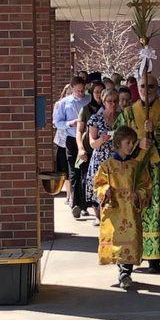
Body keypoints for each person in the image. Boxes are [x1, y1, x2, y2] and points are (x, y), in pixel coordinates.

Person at [114, 74, 160, 273]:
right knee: (134, 208)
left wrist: (156, 133)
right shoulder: (127, 113)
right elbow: (117, 136)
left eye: (151, 86)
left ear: (156, 88)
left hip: (159, 170)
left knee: (158, 209)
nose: (147, 89)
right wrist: (138, 142)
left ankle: (155, 257)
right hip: (135, 169)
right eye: (143, 85)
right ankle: (130, 256)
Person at [94, 126, 152, 289]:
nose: (131, 145)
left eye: (133, 143)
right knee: (116, 241)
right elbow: (98, 184)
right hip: (114, 210)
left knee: (131, 240)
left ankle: (125, 273)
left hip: (130, 211)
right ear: (118, 143)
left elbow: (146, 185)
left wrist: (139, 195)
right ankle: (123, 272)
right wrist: (106, 191)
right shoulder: (107, 165)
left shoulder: (136, 165)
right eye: (128, 142)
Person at [54, 76, 91, 219]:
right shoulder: (64, 103)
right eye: (78, 91)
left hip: (86, 138)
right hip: (71, 138)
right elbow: (57, 122)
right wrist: (70, 123)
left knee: (85, 171)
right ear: (72, 88)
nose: (81, 93)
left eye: (82, 90)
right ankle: (76, 203)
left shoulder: (88, 100)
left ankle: (85, 205)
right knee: (73, 172)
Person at [86, 89, 119, 225]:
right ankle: (98, 217)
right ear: (104, 102)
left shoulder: (122, 117)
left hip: (117, 157)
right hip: (101, 157)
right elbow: (92, 143)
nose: (113, 104)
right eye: (109, 101)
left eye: (115, 101)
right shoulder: (96, 118)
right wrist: (102, 139)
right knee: (100, 187)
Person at [76, 81, 104, 223]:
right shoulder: (86, 109)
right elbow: (79, 131)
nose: (99, 95)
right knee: (91, 181)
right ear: (92, 93)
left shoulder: (110, 108)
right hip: (89, 149)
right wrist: (80, 148)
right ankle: (95, 212)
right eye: (96, 92)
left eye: (101, 91)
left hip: (105, 151)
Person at [53, 84, 72, 205]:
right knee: (64, 169)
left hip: (73, 139)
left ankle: (71, 196)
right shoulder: (59, 104)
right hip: (62, 141)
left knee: (72, 170)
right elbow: (55, 122)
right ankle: (68, 195)